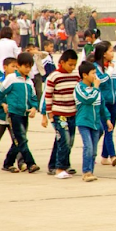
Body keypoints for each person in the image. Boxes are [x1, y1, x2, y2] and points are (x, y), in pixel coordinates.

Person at [42, 49, 80, 178]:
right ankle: (60, 168)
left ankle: (56, 164)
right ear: (62, 62)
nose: (72, 67)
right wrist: (49, 112)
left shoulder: (76, 74)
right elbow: (48, 95)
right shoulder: (54, 76)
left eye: (74, 64)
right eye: (70, 64)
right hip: (60, 114)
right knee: (64, 139)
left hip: (73, 113)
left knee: (67, 140)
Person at [0, 54, 38, 174]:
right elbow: (0, 93)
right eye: (25, 67)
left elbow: (33, 98)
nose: (28, 69)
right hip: (14, 113)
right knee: (21, 139)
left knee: (18, 140)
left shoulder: (29, 82)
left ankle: (8, 163)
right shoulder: (11, 78)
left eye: (30, 67)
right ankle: (31, 163)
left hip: (24, 114)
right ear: (18, 66)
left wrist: (34, 108)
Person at [73, 61, 110, 182]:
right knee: (88, 147)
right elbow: (88, 99)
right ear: (84, 75)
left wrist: (107, 119)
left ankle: (91, 171)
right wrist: (96, 88)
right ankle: (86, 172)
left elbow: (102, 104)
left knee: (93, 150)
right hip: (84, 122)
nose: (95, 76)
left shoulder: (95, 89)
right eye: (93, 73)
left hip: (95, 122)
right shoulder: (79, 88)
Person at [91, 43, 116, 168]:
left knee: (108, 129)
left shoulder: (115, 65)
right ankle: (112, 155)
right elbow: (101, 82)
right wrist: (109, 71)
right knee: (108, 128)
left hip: (114, 102)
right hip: (102, 103)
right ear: (104, 53)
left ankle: (104, 156)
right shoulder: (95, 67)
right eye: (110, 51)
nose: (112, 53)